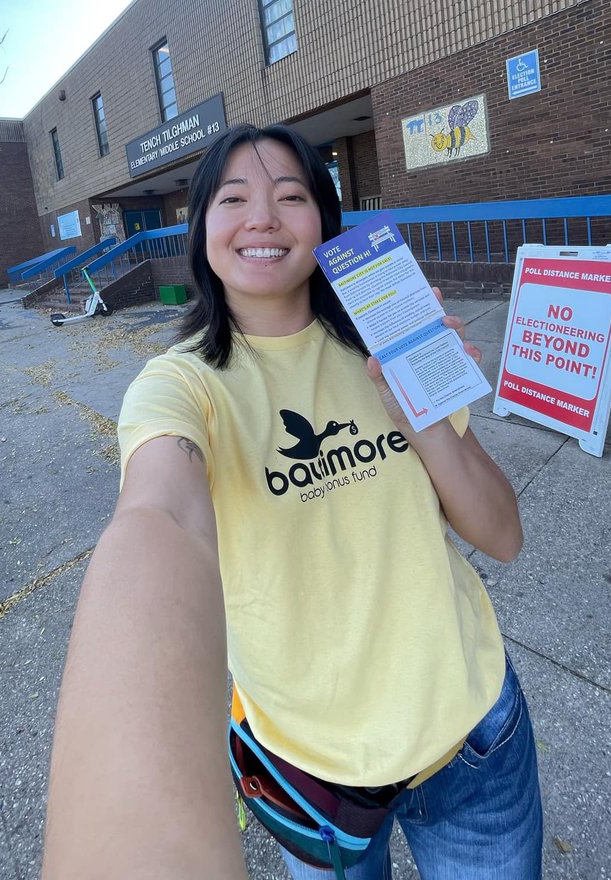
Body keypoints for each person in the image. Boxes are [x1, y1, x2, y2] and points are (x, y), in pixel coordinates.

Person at [43, 124, 542, 880]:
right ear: (201, 228)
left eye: (291, 196)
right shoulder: (181, 386)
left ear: (324, 222)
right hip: (312, 778)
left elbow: (503, 535)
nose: (263, 218)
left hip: (474, 738)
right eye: (233, 199)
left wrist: (419, 410)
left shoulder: (388, 340)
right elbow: (160, 517)